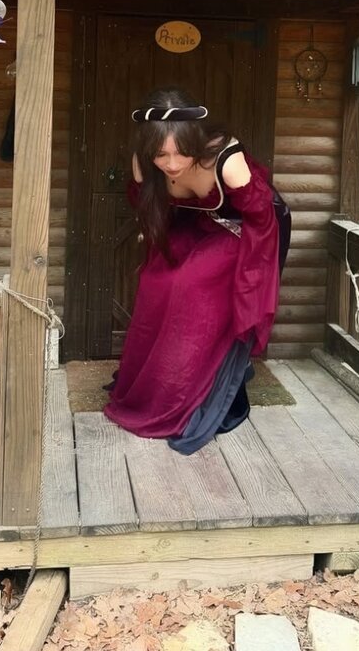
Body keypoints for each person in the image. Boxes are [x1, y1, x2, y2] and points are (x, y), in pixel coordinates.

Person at [104, 88, 291, 454]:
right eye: (161, 155)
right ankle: (156, 383)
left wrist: (252, 280)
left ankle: (193, 389)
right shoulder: (145, 161)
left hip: (249, 231)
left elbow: (261, 219)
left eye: (181, 153)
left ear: (196, 142)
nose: (171, 164)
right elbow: (150, 205)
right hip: (197, 225)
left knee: (190, 285)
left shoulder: (225, 159)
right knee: (155, 282)